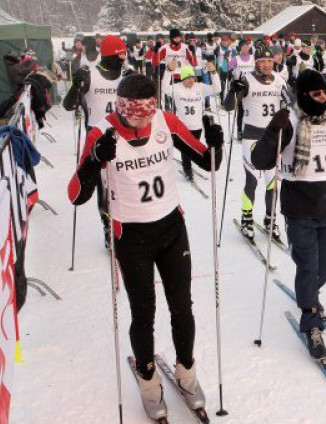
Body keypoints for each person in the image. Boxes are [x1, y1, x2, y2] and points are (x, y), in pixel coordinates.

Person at [67, 74, 223, 421]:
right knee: (144, 311)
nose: (143, 120)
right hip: (131, 236)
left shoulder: (165, 121)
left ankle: (186, 373)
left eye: (148, 112)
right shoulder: (102, 134)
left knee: (183, 306)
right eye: (135, 114)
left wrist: (215, 144)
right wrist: (94, 159)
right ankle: (149, 382)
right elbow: (76, 195)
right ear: (121, 108)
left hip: (171, 229)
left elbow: (207, 161)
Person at [250, 69, 326, 359]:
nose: (324, 97)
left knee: (321, 268)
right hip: (300, 204)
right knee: (308, 265)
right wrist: (272, 132)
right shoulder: (289, 121)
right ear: (303, 96)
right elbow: (260, 161)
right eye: (316, 94)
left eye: (325, 92)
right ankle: (311, 320)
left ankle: (310, 295)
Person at [63, 35, 134, 248]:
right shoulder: (90, 74)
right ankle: (108, 227)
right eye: (121, 53)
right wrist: (76, 86)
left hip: (125, 135)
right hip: (98, 136)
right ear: (112, 53)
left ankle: (129, 223)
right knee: (103, 186)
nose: (125, 56)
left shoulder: (127, 74)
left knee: (127, 182)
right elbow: (69, 105)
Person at [222, 47, 287, 240]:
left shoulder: (280, 80)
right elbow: (228, 107)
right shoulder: (247, 80)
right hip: (252, 137)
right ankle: (247, 219)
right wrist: (232, 91)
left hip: (273, 137)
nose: (266, 65)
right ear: (256, 63)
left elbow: (291, 104)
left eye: (269, 61)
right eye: (262, 61)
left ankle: (270, 219)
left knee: (273, 182)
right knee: (252, 181)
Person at [170, 64, 221, 180]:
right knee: (186, 149)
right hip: (182, 126)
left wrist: (214, 73)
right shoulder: (176, 87)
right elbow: (164, 89)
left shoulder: (200, 87)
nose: (191, 80)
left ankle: (188, 164)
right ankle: (187, 169)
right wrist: (168, 71)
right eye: (188, 78)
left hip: (197, 125)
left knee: (193, 147)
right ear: (183, 78)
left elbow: (217, 89)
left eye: (192, 77)